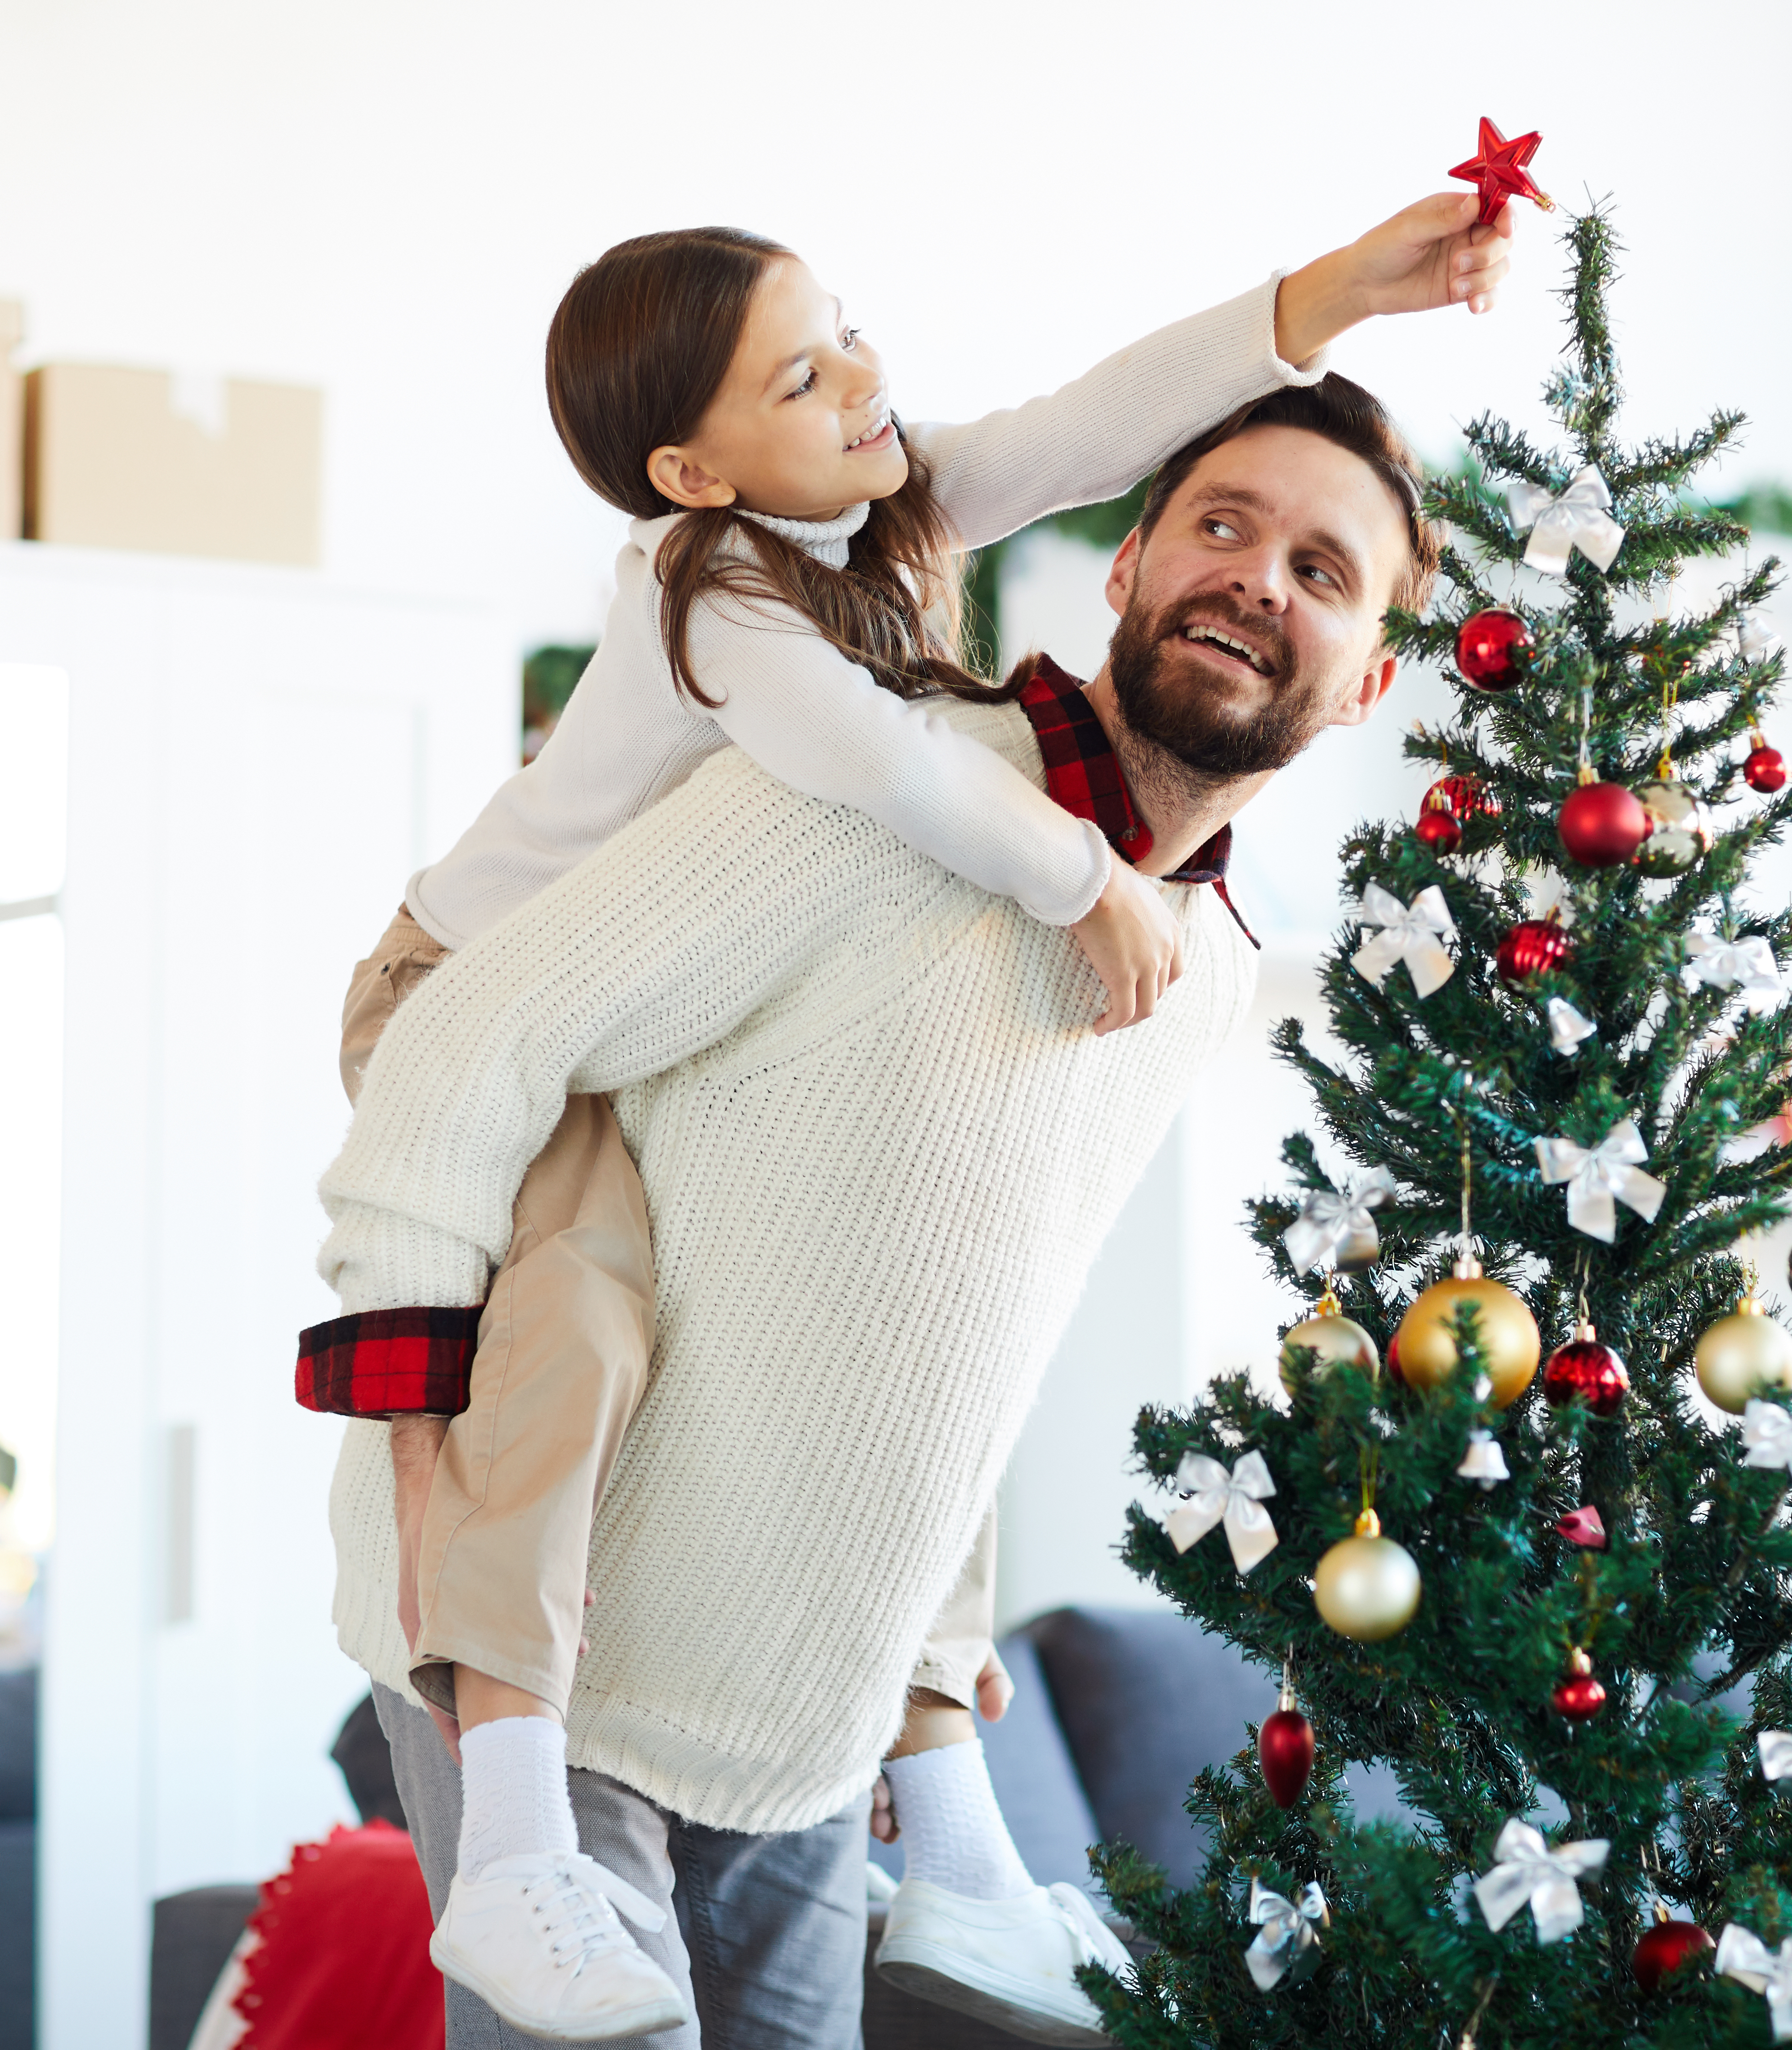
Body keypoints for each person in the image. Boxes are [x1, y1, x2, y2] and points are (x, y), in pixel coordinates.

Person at [305, 210, 1502, 2043]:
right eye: (1223, 524)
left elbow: (963, 1313)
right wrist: (403, 1424)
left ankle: (956, 1848)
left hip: (802, 1731)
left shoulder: (1207, 977)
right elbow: (466, 1041)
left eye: (1324, 569)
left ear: (1372, 679)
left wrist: (926, 1672)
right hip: (557, 1676)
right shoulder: (873, 777)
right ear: (1120, 567)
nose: (1262, 576)